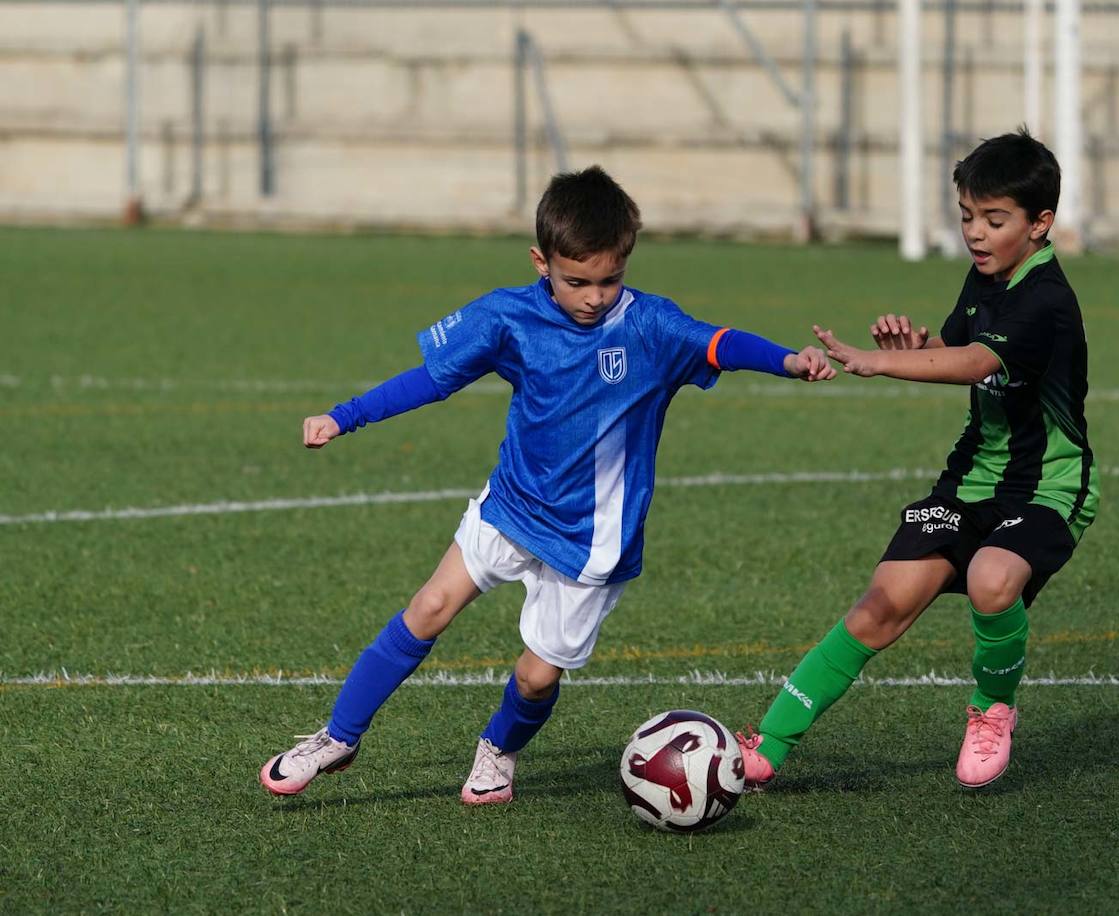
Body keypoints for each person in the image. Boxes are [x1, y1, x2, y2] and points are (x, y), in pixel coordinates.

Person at [259, 165, 835, 803]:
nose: (594, 296)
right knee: (427, 608)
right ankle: (337, 738)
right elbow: (432, 379)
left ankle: (498, 749)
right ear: (542, 262)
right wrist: (345, 416)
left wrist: (788, 360)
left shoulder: (650, 326)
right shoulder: (508, 317)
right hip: (511, 505)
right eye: (576, 281)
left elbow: (719, 343)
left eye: (609, 280)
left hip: (594, 541)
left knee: (535, 679)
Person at [737, 128, 1098, 790]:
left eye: (995, 220)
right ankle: (769, 743)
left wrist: (881, 362)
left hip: (1047, 485)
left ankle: (993, 708)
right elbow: (960, 349)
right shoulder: (986, 276)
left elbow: (980, 360)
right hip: (970, 478)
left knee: (993, 578)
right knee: (881, 604)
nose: (976, 234)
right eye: (967, 217)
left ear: (1041, 223)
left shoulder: (1045, 297)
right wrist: (916, 345)